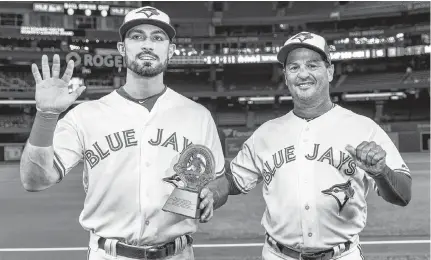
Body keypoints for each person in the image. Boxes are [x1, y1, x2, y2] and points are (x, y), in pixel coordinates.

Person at [20, 6, 226, 260]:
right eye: (137, 36)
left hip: (178, 254)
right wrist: (45, 116)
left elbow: (218, 181)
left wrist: (213, 195)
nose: (147, 44)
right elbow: (34, 180)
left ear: (170, 50)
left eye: (158, 37)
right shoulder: (85, 115)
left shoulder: (198, 116)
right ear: (122, 48)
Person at [211, 32, 412, 260]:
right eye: (294, 67)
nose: (303, 74)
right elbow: (233, 180)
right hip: (278, 255)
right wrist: (210, 190)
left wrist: (381, 172)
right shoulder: (266, 133)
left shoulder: (364, 128)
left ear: (330, 71)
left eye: (312, 65)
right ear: (286, 76)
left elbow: (403, 194)